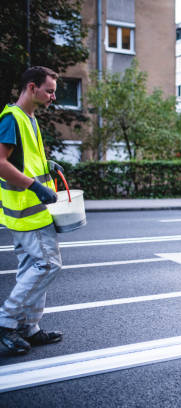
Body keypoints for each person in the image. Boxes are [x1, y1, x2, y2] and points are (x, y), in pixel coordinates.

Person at [0, 66, 64, 355]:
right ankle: (6, 323)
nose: (53, 96)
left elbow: (27, 160)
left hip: (33, 211)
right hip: (29, 210)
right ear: (31, 87)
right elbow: (1, 163)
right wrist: (35, 187)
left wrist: (48, 166)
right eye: (49, 90)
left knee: (31, 267)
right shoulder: (11, 119)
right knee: (48, 265)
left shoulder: (30, 119)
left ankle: (30, 328)